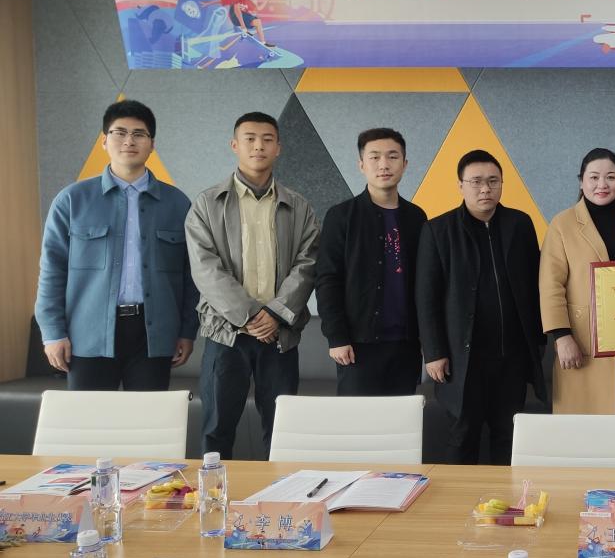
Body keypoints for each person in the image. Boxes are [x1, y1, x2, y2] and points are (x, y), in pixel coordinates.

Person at [35, 100, 197, 390]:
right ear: (104, 141)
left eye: (139, 134)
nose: (129, 141)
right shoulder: (72, 200)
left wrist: (187, 330)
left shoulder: (177, 203)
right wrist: (52, 332)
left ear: (152, 144)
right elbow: (52, 270)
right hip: (87, 334)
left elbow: (191, 275)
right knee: (90, 418)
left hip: (154, 335)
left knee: (148, 417)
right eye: (120, 132)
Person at [185, 112, 319, 458]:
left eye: (267, 139)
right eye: (250, 139)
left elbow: (308, 263)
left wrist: (274, 314)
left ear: (278, 148)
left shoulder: (299, 206)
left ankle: (280, 492)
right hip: (226, 335)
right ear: (235, 145)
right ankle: (216, 492)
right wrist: (249, 316)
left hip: (279, 335)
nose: (258, 146)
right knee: (216, 430)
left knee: (281, 431)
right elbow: (205, 268)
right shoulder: (207, 204)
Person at [417, 150, 545, 464]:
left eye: (492, 181)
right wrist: (434, 352)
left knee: (508, 435)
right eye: (476, 182)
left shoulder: (520, 224)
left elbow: (536, 284)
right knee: (462, 435)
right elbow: (426, 296)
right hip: (462, 358)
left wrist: (538, 342)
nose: (485, 189)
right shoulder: (438, 230)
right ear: (460, 186)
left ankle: (506, 496)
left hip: (511, 356)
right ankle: (459, 496)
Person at [316, 128, 426, 397]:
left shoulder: (417, 217)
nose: (384, 164)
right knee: (357, 421)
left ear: (405, 164)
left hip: (406, 344)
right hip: (357, 345)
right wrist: (336, 337)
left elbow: (426, 283)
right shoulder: (341, 216)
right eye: (375, 157)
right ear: (361, 165)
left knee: (402, 420)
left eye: (392, 156)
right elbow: (327, 280)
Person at [539, 148, 615, 415]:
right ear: (581, 182)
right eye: (594, 177)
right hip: (581, 338)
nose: (602, 184)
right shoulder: (562, 223)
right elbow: (550, 284)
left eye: (610, 177)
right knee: (583, 425)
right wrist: (561, 337)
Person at [203, 0, 275, 47]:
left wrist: (267, 0)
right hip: (235, 17)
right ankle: (243, 28)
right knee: (236, 3)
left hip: (245, 18)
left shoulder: (249, 2)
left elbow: (259, 8)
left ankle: (263, 42)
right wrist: (207, 3)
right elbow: (220, 1)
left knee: (258, 21)